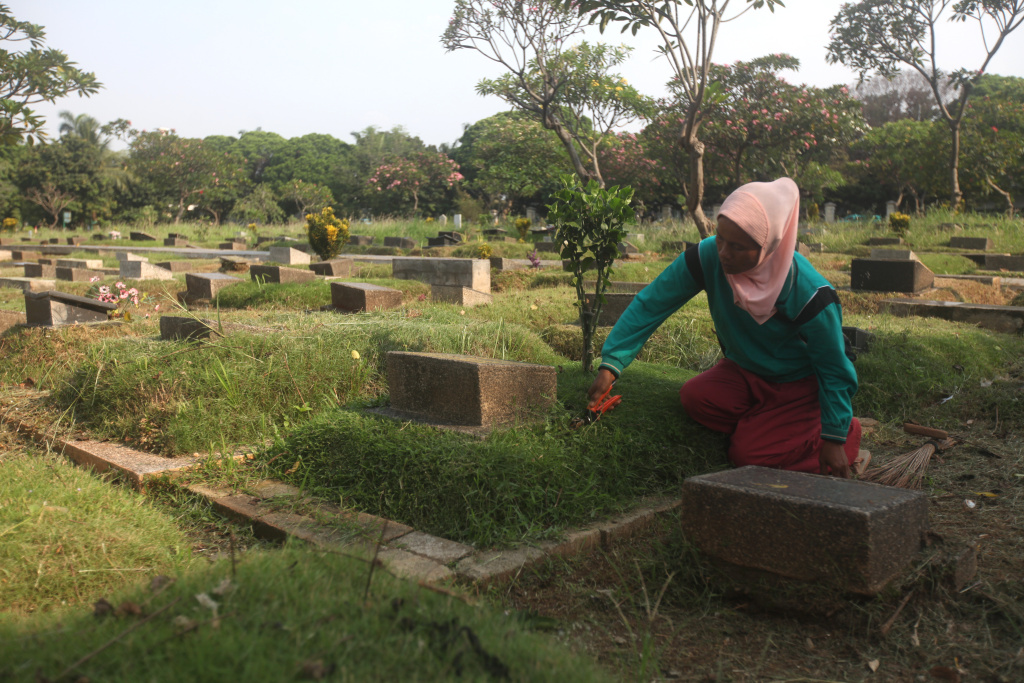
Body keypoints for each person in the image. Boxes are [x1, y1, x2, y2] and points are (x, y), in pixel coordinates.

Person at [586, 178, 863, 477]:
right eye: (720, 238)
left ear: (770, 246)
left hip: (799, 383)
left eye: (738, 246)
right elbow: (652, 303)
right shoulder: (707, 257)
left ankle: (847, 432)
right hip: (745, 370)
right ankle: (771, 426)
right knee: (696, 398)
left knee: (746, 454)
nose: (724, 253)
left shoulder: (807, 291)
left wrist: (833, 437)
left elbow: (834, 368)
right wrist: (612, 363)